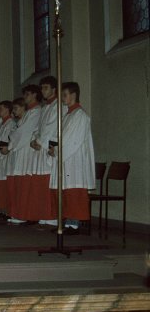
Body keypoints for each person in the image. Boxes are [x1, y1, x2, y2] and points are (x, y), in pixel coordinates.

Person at [48, 82, 95, 234]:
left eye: (65, 95)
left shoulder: (80, 115)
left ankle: (73, 224)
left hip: (74, 159)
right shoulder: (67, 115)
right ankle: (65, 222)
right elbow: (58, 136)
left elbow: (72, 140)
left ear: (73, 95)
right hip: (64, 157)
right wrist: (52, 148)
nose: (62, 98)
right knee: (64, 190)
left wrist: (56, 150)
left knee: (73, 190)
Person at [28, 76, 67, 227]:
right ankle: (44, 213)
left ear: (54, 89)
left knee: (49, 182)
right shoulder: (45, 108)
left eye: (46, 88)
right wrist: (33, 140)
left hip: (49, 148)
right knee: (41, 183)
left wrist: (39, 142)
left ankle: (52, 215)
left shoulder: (59, 106)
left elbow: (52, 128)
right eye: (42, 88)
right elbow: (37, 128)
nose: (43, 91)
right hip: (40, 149)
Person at [3, 85, 42, 224]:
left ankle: (23, 214)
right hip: (19, 150)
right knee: (19, 184)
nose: (25, 97)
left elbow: (23, 132)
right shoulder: (29, 113)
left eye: (27, 94)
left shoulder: (36, 112)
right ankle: (19, 213)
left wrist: (10, 144)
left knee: (24, 184)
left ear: (34, 95)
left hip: (26, 151)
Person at [2, 97, 27, 221]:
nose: (14, 111)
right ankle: (14, 213)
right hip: (13, 156)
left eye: (16, 108)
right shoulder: (18, 122)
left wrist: (9, 145)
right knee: (13, 187)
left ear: (23, 108)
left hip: (22, 156)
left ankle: (20, 214)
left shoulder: (23, 121)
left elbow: (15, 136)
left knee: (20, 187)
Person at [0, 100, 16, 220]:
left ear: (7, 109)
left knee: (3, 184)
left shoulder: (10, 124)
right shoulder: (2, 123)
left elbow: (6, 141)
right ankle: (0, 209)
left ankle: (5, 210)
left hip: (4, 158)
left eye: (1, 109)